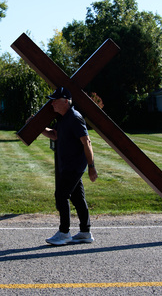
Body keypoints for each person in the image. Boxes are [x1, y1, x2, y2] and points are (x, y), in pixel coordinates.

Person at [40, 87, 98, 245]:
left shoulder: (74, 117)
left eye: (55, 100)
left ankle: (64, 232)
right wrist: (39, 127)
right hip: (69, 165)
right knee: (78, 198)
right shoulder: (64, 118)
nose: (52, 104)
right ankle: (85, 232)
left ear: (65, 101)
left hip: (74, 165)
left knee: (61, 195)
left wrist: (92, 166)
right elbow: (55, 135)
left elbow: (86, 142)